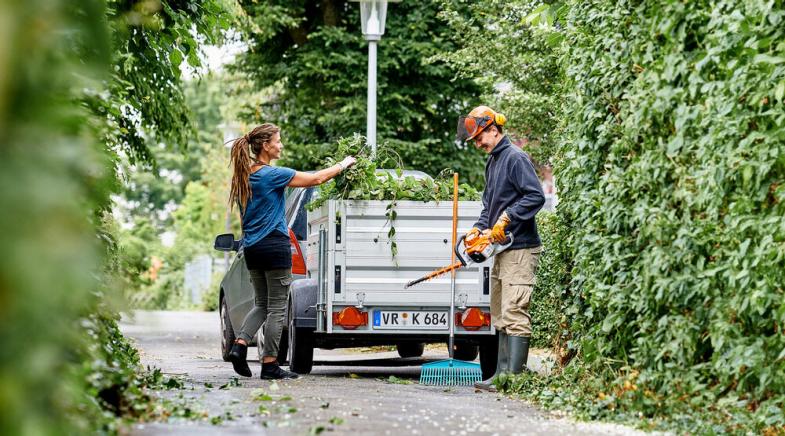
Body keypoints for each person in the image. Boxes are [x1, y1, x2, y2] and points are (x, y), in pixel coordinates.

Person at [227, 123, 356, 380]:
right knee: (277, 308)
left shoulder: (244, 176)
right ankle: (270, 364)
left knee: (262, 303)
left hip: (252, 248)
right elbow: (316, 179)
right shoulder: (272, 175)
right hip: (274, 246)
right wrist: (344, 164)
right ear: (265, 145)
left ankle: (240, 345)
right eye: (278, 140)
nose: (281, 145)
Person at [457, 106, 545, 391]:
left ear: (494, 129)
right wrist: (477, 228)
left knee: (515, 310)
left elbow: (535, 197)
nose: (479, 144)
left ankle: (514, 379)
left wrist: (508, 218)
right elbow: (489, 206)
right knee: (500, 312)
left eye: (480, 137)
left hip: (520, 248)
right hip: (501, 250)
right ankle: (501, 374)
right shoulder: (494, 161)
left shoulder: (515, 158)